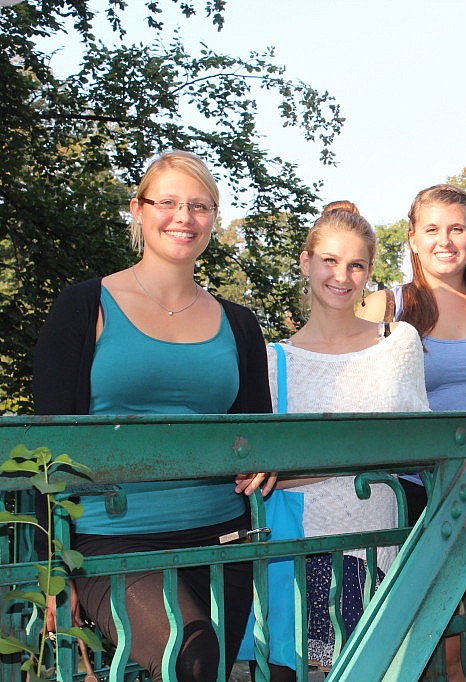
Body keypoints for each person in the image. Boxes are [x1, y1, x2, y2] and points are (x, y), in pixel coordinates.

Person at [32, 150, 274, 681]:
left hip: (222, 541)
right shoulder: (85, 306)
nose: (183, 217)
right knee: (191, 656)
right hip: (111, 539)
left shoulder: (238, 324)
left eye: (199, 205)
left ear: (213, 218)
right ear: (137, 210)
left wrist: (264, 461)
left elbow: (256, 434)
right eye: (167, 202)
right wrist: (54, 571)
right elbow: (45, 451)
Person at [240, 203, 430, 680]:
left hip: (376, 547)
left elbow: (415, 443)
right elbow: (255, 469)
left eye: (356, 265)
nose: (342, 276)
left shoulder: (397, 341)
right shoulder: (273, 361)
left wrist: (302, 468)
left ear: (369, 271)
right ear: (305, 263)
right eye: (329, 260)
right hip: (296, 551)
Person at [359, 183, 466, 680]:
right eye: (431, 229)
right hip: (413, 495)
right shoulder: (386, 306)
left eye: (457, 229)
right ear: (412, 238)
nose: (444, 241)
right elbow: (349, 393)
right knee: (425, 636)